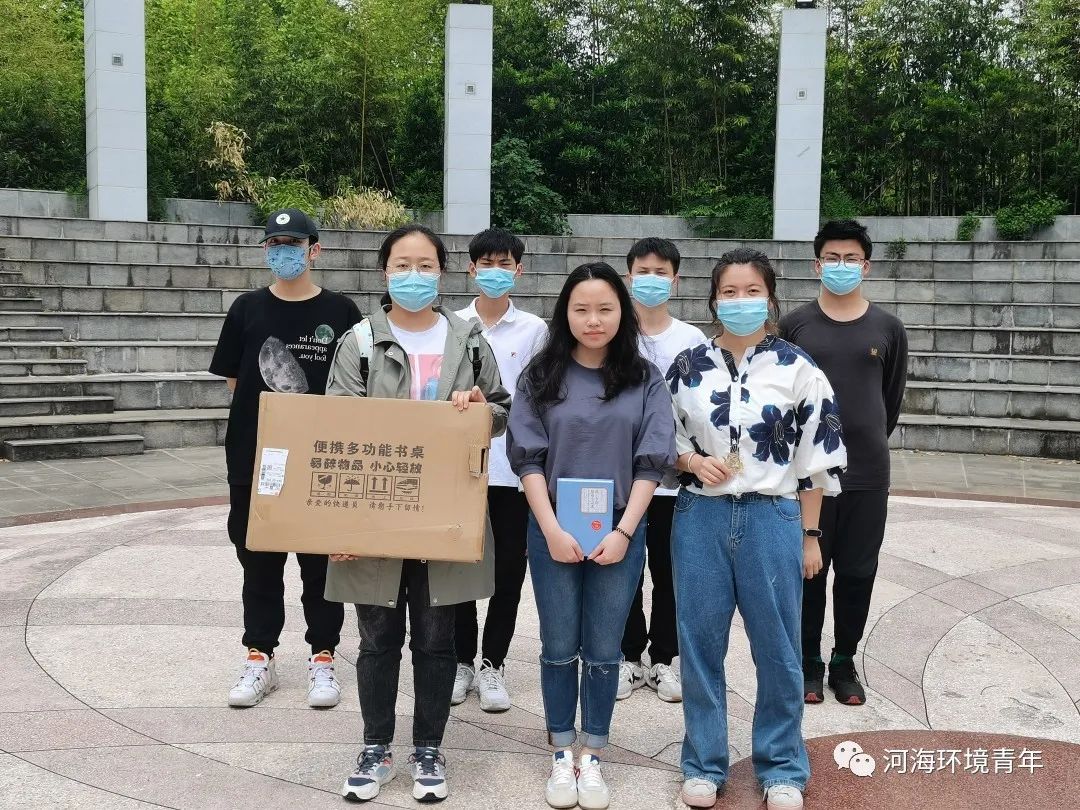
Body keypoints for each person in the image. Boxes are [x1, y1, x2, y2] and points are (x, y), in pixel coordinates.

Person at [323, 223, 512, 804]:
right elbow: (335, 426)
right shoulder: (359, 341)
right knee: (377, 638)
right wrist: (339, 525)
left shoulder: (469, 339)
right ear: (384, 272)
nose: (413, 275)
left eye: (425, 265)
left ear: (442, 272)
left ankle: (428, 748)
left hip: (445, 511)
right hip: (374, 512)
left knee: (435, 639)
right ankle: (375, 747)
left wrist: (478, 407)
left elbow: (501, 410)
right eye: (402, 265)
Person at [667, 248, 847, 809]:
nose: (740, 301)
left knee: (779, 648)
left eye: (752, 291)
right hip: (701, 515)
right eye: (729, 292)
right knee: (699, 644)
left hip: (773, 516)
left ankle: (783, 767)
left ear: (769, 297)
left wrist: (810, 536)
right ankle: (703, 763)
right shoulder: (687, 366)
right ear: (713, 299)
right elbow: (661, 438)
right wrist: (692, 461)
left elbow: (817, 459)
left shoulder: (799, 368)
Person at [507, 262, 676, 810]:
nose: (594, 320)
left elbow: (653, 461)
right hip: (552, 526)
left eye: (605, 308)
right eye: (581, 309)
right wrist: (550, 528)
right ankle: (561, 751)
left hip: (620, 528)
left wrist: (626, 531)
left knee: (604, 650)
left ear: (622, 313)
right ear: (566, 314)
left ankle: (593, 753)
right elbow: (528, 459)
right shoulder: (541, 375)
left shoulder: (644, 378)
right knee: (558, 647)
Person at [209, 208, 361, 709]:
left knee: (320, 564)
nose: (283, 252)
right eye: (275, 244)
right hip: (256, 458)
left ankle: (323, 656)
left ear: (314, 249)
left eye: (293, 243)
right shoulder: (246, 308)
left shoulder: (342, 311)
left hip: (320, 460)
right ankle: (260, 656)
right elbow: (237, 381)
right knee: (258, 560)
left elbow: (355, 385)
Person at [778, 219, 908, 707]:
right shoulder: (795, 325)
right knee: (808, 569)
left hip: (867, 471)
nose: (841, 266)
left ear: (866, 267)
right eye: (832, 258)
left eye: (851, 259)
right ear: (817, 265)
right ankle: (809, 661)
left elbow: (889, 401)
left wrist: (861, 441)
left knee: (857, 571)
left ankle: (843, 660)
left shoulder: (888, 328)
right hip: (807, 473)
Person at [452, 228, 549, 712]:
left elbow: (541, 399)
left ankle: (494, 663)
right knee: (457, 568)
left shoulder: (534, 330)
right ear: (471, 269)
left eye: (504, 263)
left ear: (519, 270)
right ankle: (461, 661)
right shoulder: (451, 325)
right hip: (458, 470)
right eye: (486, 263)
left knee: (509, 570)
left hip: (513, 471)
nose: (495, 271)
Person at [618, 237, 706, 704]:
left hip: (675, 479)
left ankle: (665, 659)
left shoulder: (691, 340)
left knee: (672, 573)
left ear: (675, 279)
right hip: (621, 476)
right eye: (642, 271)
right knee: (624, 569)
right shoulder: (613, 332)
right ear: (628, 276)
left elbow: (701, 409)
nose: (651, 280)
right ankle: (627, 656)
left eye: (661, 272)